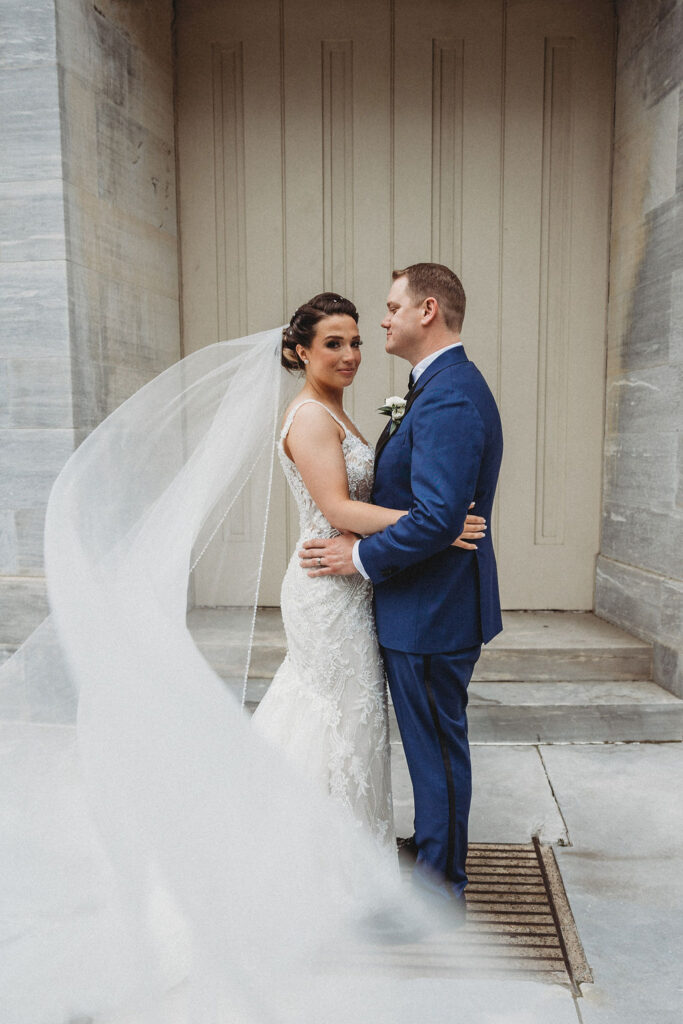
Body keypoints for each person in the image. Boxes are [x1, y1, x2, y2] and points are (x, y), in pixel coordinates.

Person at [299, 265, 504, 915]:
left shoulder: (447, 396)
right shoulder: (437, 387)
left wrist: (360, 557)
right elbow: (430, 509)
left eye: (391, 307)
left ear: (427, 310)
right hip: (424, 603)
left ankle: (439, 889)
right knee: (427, 747)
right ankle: (431, 849)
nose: (381, 320)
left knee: (437, 750)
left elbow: (441, 518)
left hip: (432, 608)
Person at [252, 292, 486, 847]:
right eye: (333, 344)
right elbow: (337, 509)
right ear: (300, 352)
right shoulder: (310, 416)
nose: (351, 354)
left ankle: (347, 842)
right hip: (328, 585)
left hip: (353, 579)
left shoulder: (334, 407)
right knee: (331, 716)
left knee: (356, 721)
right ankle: (305, 851)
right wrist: (436, 523)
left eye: (355, 341)